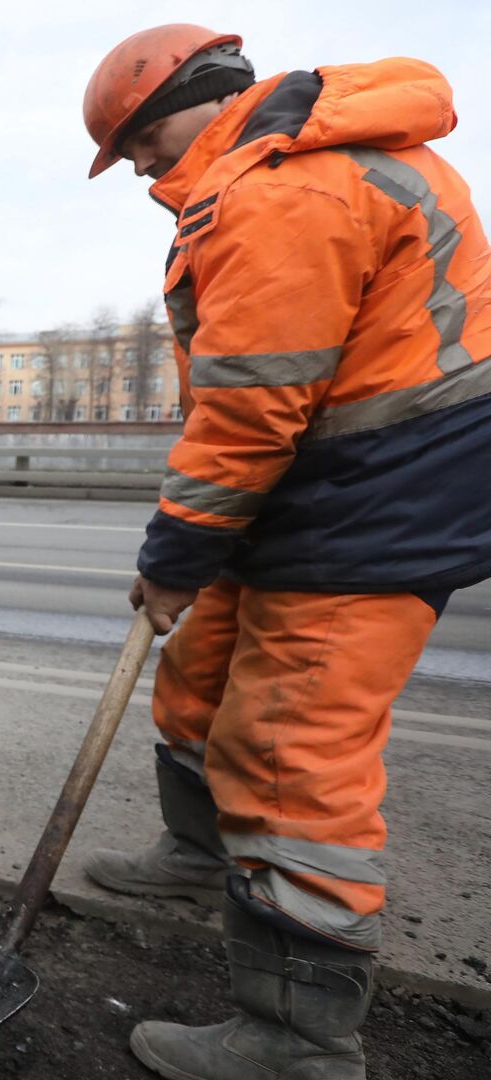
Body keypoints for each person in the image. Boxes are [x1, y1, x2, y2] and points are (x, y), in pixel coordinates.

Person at [83, 23, 491, 1080]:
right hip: (316, 491)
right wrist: (198, 548)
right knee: (200, 675)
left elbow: (255, 405)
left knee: (287, 750)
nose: (138, 168)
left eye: (140, 140)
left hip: (374, 503)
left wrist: (178, 550)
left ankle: (298, 1039)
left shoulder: (282, 192)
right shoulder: (282, 172)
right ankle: (198, 852)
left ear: (205, 100)